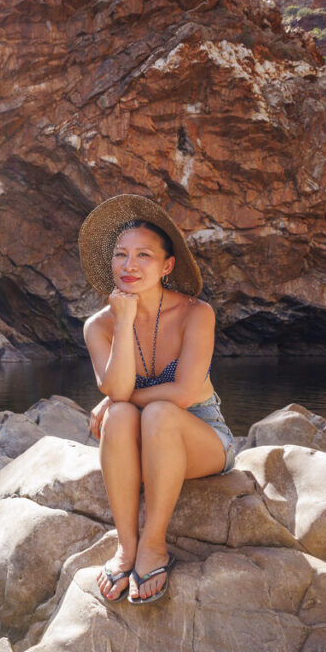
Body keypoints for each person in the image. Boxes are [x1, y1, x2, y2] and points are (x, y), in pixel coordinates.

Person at [79, 194, 234, 606]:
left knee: (154, 411)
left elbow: (184, 392)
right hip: (139, 438)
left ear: (167, 266)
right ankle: (127, 547)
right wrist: (125, 320)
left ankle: (154, 545)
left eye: (143, 255)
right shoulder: (99, 326)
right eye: (121, 255)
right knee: (121, 416)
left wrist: (118, 399)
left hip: (199, 434)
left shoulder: (196, 314)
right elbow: (116, 391)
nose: (129, 265)